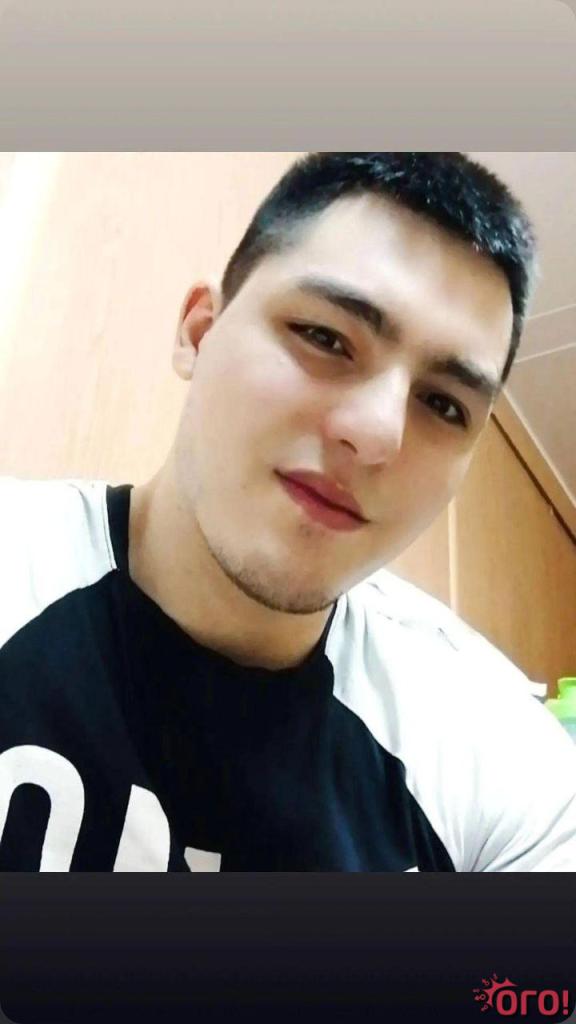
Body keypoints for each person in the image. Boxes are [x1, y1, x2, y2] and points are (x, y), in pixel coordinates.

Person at [1, 152, 575, 872]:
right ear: (200, 332)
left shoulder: (491, 753)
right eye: (325, 338)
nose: (377, 433)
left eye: (443, 404)